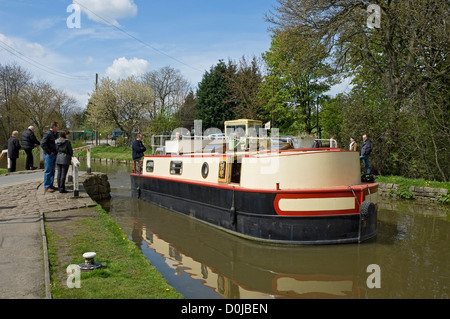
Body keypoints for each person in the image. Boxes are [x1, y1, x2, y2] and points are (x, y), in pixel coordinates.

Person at [41, 122, 59, 192]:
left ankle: (51, 185)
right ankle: (47, 186)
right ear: (54, 127)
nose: (58, 128)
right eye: (57, 127)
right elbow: (42, 143)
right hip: (49, 155)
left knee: (52, 170)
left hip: (54, 154)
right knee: (48, 171)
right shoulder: (48, 133)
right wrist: (49, 152)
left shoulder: (54, 134)